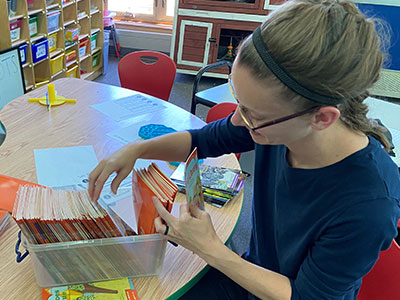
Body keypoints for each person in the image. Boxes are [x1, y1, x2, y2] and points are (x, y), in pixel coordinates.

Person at [88, 0, 400, 299]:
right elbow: (203, 140)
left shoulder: (369, 204)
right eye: (239, 100)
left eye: (251, 112)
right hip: (249, 274)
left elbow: (306, 295)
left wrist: (210, 248)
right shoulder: (278, 125)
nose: (237, 118)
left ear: (322, 118)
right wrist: (136, 149)